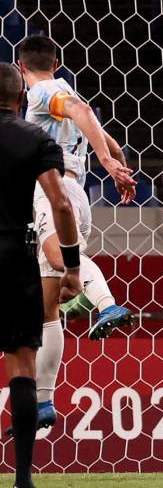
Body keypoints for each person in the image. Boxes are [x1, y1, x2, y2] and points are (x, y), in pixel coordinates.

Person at [17, 34, 137, 430]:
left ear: (22, 69)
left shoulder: (44, 93)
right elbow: (98, 127)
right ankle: (44, 403)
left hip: (53, 190)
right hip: (74, 191)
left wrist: (106, 161)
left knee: (58, 257)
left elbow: (80, 109)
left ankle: (106, 304)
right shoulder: (63, 86)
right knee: (47, 306)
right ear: (55, 61)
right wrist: (118, 161)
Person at [0, 62, 82, 488]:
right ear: (19, 99)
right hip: (15, 257)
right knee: (23, 366)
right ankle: (23, 479)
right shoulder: (35, 138)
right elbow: (61, 204)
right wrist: (71, 266)